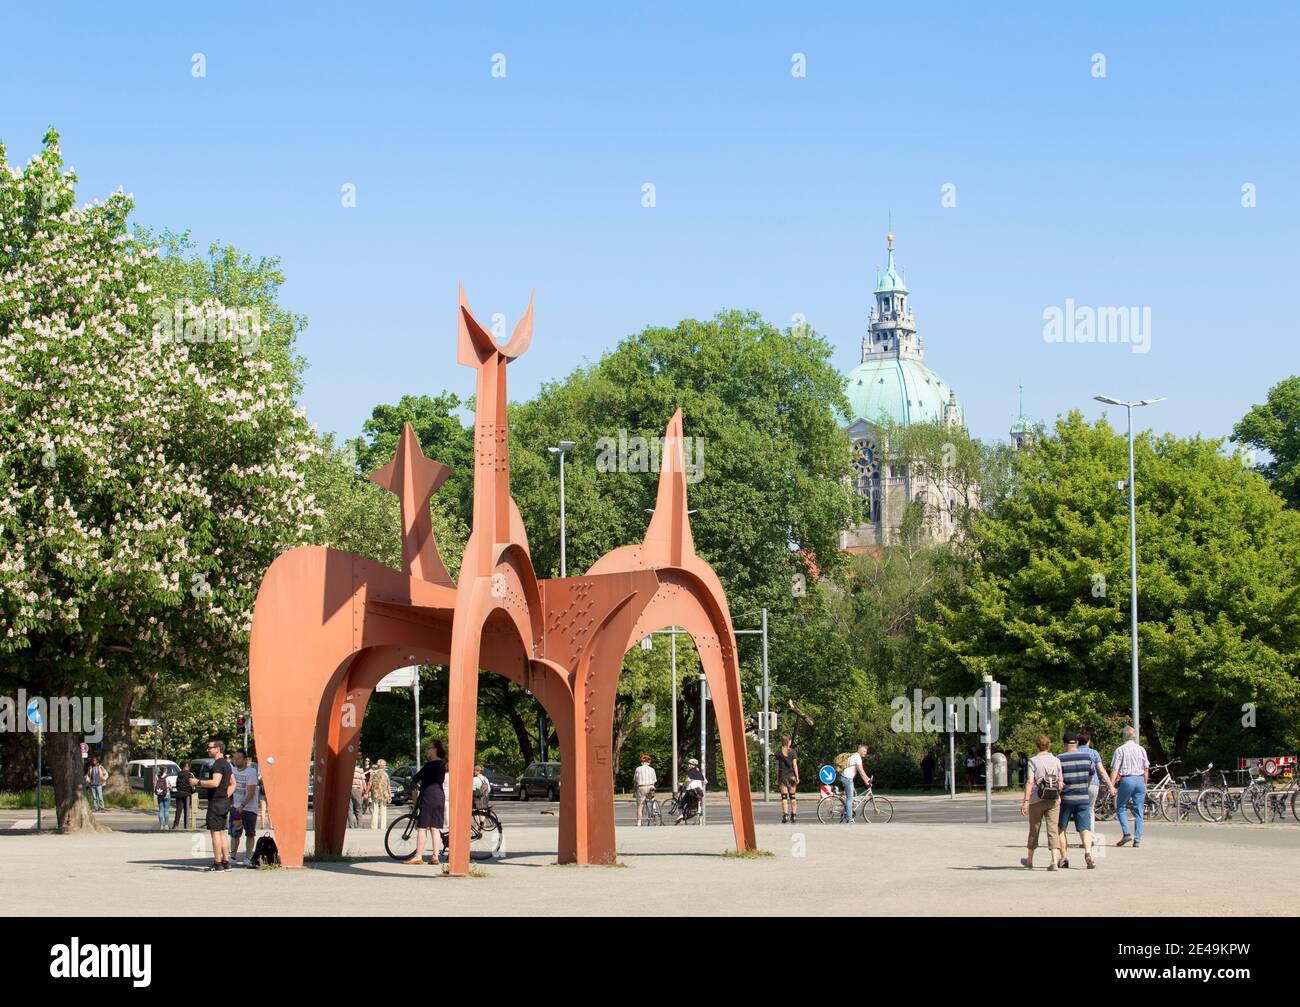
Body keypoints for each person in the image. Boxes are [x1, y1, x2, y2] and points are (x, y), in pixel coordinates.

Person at [1054, 731, 1098, 869]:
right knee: (1085, 828)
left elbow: (1056, 779)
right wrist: (1085, 786)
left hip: (1066, 798)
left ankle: (1064, 858)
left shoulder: (1059, 759)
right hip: (1083, 797)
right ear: (1077, 743)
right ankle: (1088, 852)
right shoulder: (1087, 757)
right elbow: (1091, 775)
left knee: (1061, 828)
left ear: (1064, 743)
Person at [1019, 733, 1062, 871]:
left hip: (1036, 799)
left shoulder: (1033, 761)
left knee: (1034, 829)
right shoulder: (1056, 760)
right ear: (1049, 745)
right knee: (1053, 829)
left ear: (1037, 746)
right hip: (1053, 799)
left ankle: (1030, 860)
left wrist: (1025, 801)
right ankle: (1054, 861)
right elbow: (1061, 782)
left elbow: (1030, 782)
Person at [404, 740, 447, 872]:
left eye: (429, 748)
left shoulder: (429, 765)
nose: (427, 751)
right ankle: (435, 856)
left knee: (422, 827)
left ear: (435, 749)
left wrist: (413, 782)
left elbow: (416, 778)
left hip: (428, 796)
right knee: (435, 828)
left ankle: (418, 856)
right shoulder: (442, 765)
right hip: (439, 796)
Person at [194, 739, 234, 871]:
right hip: (224, 801)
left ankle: (217, 863)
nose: (208, 749)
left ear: (217, 749)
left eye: (210, 747)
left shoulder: (217, 764)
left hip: (216, 802)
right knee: (222, 833)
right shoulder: (227, 764)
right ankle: (226, 862)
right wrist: (225, 795)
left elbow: (215, 783)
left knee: (215, 833)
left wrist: (197, 782)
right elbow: (233, 783)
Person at [1110, 726, 1150, 848]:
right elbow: (1146, 768)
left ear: (1124, 736)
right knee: (1138, 810)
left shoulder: (1120, 750)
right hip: (1139, 779)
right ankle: (1137, 839)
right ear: (1134, 736)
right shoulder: (1141, 749)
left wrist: (1111, 785)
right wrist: (1145, 783)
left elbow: (1115, 768)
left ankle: (1126, 833)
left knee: (1121, 807)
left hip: (1126, 779)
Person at [1075, 728, 1116, 845]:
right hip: (1093, 784)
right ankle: (1091, 838)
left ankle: (1084, 839)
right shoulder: (1094, 753)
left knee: (1079, 811)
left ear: (1078, 741)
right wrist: (1111, 786)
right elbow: (1102, 771)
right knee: (1090, 810)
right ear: (1089, 741)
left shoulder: (1074, 752)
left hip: (1078, 785)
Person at [228, 749, 260, 865]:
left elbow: (251, 792)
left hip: (249, 808)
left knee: (250, 833)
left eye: (238, 759)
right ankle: (233, 856)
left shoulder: (251, 772)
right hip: (235, 807)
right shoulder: (232, 770)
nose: (235, 761)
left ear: (245, 760)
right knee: (234, 833)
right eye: (234, 758)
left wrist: (243, 805)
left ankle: (247, 857)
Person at [840, 744, 870, 824]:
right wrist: (868, 782)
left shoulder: (854, 755)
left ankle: (847, 811)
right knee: (850, 798)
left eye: (866, 752)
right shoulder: (857, 758)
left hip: (845, 777)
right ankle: (850, 819)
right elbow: (862, 772)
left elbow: (861, 773)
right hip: (847, 779)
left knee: (854, 795)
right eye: (864, 751)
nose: (865, 753)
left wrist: (867, 780)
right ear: (859, 750)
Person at [775, 734, 800, 823]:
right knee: (793, 796)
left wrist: (777, 778)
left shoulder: (778, 753)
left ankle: (785, 815)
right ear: (789, 741)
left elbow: (777, 767)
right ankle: (794, 815)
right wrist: (797, 776)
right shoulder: (793, 752)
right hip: (792, 776)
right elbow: (795, 765)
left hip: (783, 777)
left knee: (784, 797)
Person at [633, 755, 657, 826]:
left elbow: (635, 781)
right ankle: (654, 808)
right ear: (649, 762)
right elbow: (655, 780)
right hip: (651, 786)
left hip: (641, 787)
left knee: (640, 806)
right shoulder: (652, 769)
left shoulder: (638, 769)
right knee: (652, 797)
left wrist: (634, 790)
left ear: (642, 761)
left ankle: (639, 823)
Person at [370, 759, 392, 830]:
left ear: (378, 765)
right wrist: (390, 795)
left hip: (375, 794)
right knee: (383, 810)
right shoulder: (386, 774)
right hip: (384, 794)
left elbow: (370, 783)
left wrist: (367, 792)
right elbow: (388, 786)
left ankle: (374, 826)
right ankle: (383, 827)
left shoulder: (373, 773)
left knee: (375, 810)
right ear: (383, 766)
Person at [173, 760, 196, 830]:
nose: (188, 767)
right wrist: (193, 791)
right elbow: (193, 786)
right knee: (187, 810)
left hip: (179, 793)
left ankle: (175, 824)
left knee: (178, 810)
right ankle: (186, 825)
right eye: (188, 766)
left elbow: (177, 785)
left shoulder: (179, 775)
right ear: (186, 767)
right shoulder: (190, 775)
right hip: (187, 794)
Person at [154, 765, 173, 830]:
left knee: (161, 810)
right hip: (167, 794)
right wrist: (170, 788)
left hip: (159, 794)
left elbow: (155, 784)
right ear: (165, 770)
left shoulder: (157, 776)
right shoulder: (167, 777)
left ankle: (161, 825)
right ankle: (166, 825)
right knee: (166, 810)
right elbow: (170, 786)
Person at [350, 759, 366, 828]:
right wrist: (365, 791)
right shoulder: (360, 770)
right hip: (357, 790)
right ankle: (359, 825)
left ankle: (351, 825)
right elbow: (363, 781)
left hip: (348, 790)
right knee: (359, 808)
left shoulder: (347, 770)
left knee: (349, 809)